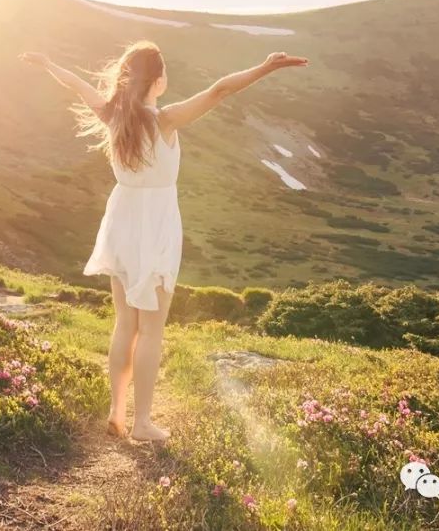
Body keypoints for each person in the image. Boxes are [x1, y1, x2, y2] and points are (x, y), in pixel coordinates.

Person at [19, 40, 309, 441]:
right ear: (157, 81)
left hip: (121, 219)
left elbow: (76, 85)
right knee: (151, 329)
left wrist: (49, 60)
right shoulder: (165, 120)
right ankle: (141, 423)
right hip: (155, 223)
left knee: (125, 323)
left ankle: (118, 412)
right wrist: (264, 68)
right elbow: (219, 90)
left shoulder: (112, 116)